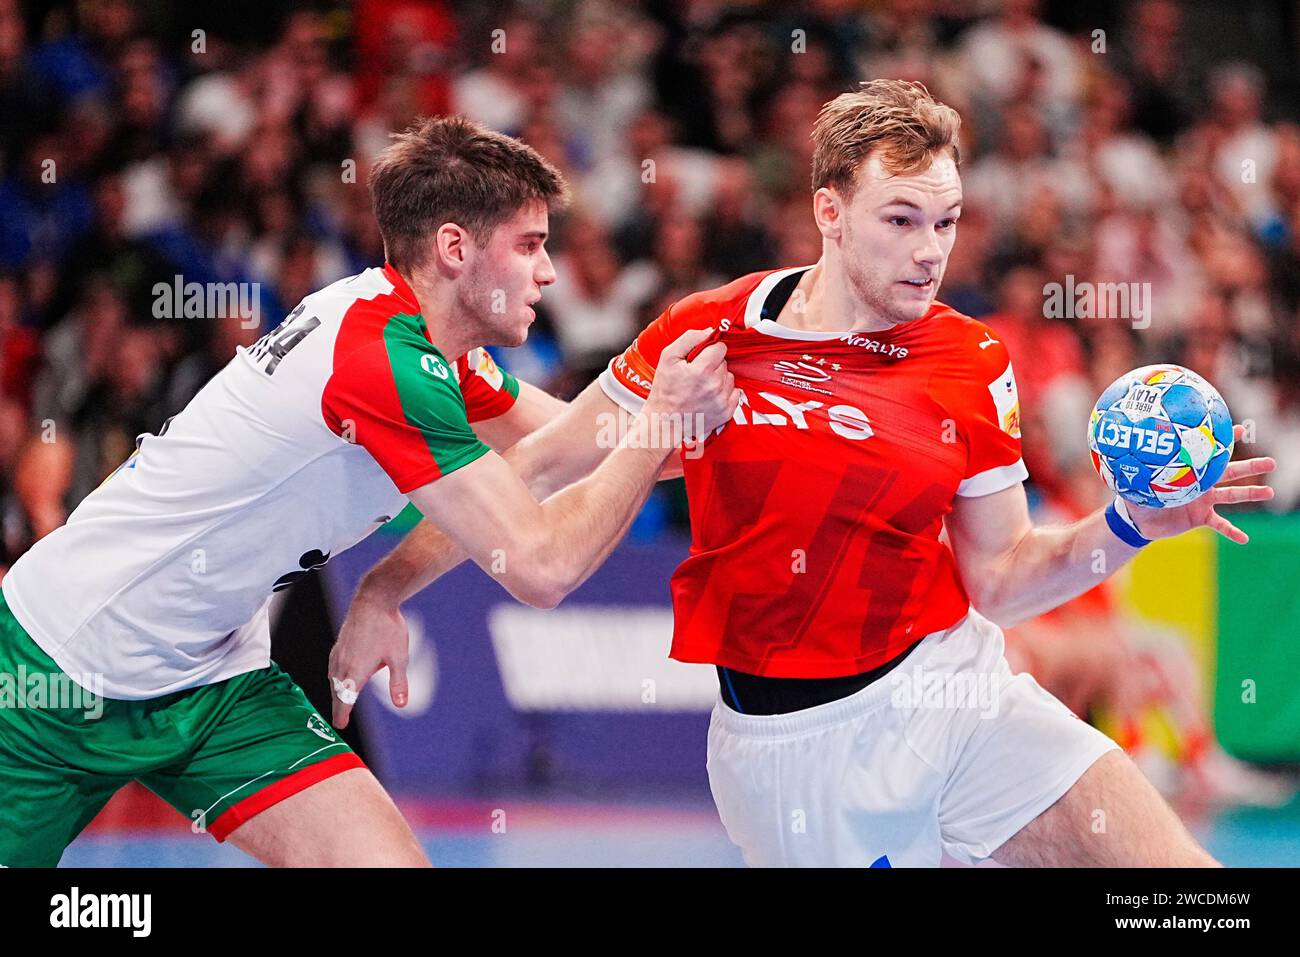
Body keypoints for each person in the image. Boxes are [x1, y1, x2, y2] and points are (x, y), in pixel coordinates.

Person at [334, 82, 1276, 867]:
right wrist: (383, 587)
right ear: (828, 211)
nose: (930, 249)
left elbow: (1003, 578)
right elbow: (532, 470)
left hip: (960, 691)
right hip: (800, 752)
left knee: (1186, 892)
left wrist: (1128, 527)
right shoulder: (711, 334)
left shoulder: (970, 359)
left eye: (946, 220)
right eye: (900, 218)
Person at [0, 115, 736, 868]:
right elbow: (544, 563)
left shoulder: (430, 350)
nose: (548, 273)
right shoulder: (382, 361)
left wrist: (751, 437)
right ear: (455, 249)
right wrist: (661, 419)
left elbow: (576, 443)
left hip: (212, 678)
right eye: (530, 244)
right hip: (54, 669)